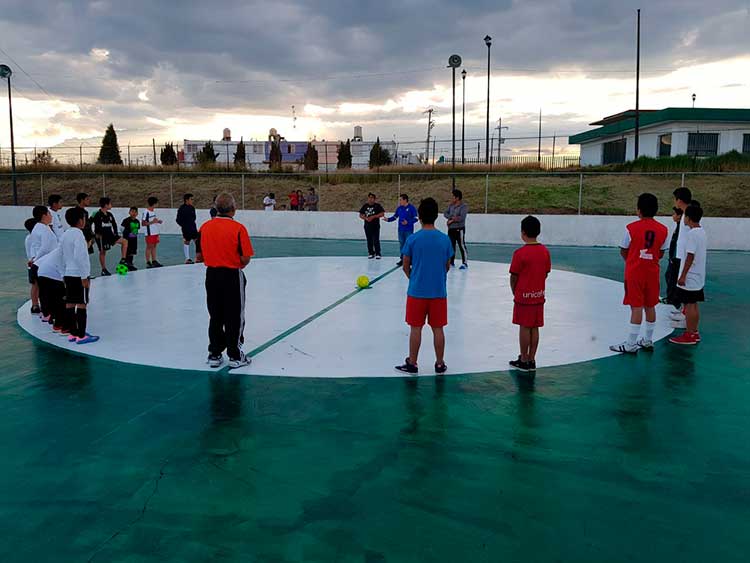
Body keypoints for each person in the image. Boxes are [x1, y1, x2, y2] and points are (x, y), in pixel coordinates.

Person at [395, 197, 454, 375]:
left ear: (419, 216)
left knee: (415, 328)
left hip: (417, 291)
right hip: (438, 292)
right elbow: (447, 264)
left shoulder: (413, 239)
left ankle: (412, 363)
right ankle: (439, 363)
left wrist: (414, 278)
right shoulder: (444, 240)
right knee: (438, 329)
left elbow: (406, 264)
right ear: (436, 215)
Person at [197, 193, 254, 369]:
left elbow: (199, 256)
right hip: (231, 276)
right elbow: (245, 258)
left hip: (211, 275)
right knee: (234, 315)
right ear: (233, 209)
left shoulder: (205, 227)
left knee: (215, 315)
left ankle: (214, 353)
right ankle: (235, 355)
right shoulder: (238, 229)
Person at [609, 193, 669, 354]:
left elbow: (623, 249)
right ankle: (648, 340)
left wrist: (631, 261)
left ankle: (630, 344)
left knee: (636, 307)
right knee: (650, 305)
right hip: (652, 272)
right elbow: (661, 252)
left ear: (639, 210)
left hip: (635, 272)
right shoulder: (664, 230)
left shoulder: (631, 228)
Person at [509, 216, 551, 373]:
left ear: (523, 232)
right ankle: (532, 358)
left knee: (524, 327)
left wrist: (515, 291)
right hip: (538, 296)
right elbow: (546, 272)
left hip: (523, 297)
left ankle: (524, 358)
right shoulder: (545, 252)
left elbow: (514, 276)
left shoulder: (520, 253)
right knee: (535, 327)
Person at [60, 206, 99, 344]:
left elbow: (62, 255)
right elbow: (80, 257)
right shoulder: (78, 235)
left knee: (70, 303)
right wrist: (84, 276)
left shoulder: (65, 234)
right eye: (84, 218)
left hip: (68, 274)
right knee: (82, 304)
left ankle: (73, 333)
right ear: (80, 220)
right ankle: (81, 335)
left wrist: (63, 273)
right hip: (78, 275)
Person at [670, 204, 706, 345]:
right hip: (698, 276)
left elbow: (690, 256)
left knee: (689, 305)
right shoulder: (701, 232)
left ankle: (689, 334)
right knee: (694, 304)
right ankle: (694, 331)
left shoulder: (691, 235)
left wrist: (683, 275)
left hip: (690, 276)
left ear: (689, 218)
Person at [670, 186, 692, 328]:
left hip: (684, 256)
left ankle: (686, 319)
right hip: (681, 254)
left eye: (675, 199)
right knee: (681, 285)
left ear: (679, 200)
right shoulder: (685, 214)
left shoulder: (688, 216)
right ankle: (684, 311)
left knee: (686, 286)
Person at [92, 197, 129, 276]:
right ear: (106, 205)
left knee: (125, 241)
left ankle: (123, 259)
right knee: (103, 252)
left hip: (111, 235)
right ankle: (103, 269)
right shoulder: (97, 215)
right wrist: (95, 234)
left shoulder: (109, 214)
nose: (111, 205)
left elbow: (114, 224)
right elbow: (93, 225)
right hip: (102, 237)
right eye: (110, 203)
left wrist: (115, 233)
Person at [36, 246, 66, 332]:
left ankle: (52, 319)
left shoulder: (59, 249)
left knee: (51, 299)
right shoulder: (67, 250)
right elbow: (63, 267)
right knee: (60, 300)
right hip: (52, 274)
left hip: (41, 272)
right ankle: (60, 325)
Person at [385, 193, 418, 266]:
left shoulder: (411, 208)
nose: (399, 201)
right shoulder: (399, 208)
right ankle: (402, 259)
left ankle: (410, 259)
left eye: (400, 200)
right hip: (400, 230)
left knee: (409, 244)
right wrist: (388, 219)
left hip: (408, 230)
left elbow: (416, 218)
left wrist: (408, 222)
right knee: (402, 244)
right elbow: (395, 217)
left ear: (405, 200)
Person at [663, 206, 683, 308]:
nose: (673, 216)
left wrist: (673, 257)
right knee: (668, 276)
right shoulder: (679, 226)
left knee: (672, 278)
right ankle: (671, 298)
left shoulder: (681, 228)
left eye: (675, 214)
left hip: (675, 258)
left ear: (679, 216)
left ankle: (672, 299)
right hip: (673, 257)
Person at [444, 189, 469, 270]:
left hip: (459, 229)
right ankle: (451, 261)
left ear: (457, 198)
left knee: (461, 245)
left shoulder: (463, 206)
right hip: (451, 229)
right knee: (451, 245)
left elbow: (461, 217)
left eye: (453, 197)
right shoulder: (451, 206)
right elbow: (445, 213)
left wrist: (451, 220)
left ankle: (464, 263)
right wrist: (452, 218)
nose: (452, 198)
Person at [359, 193, 385, 259]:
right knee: (369, 240)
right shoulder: (365, 206)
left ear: (374, 199)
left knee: (376, 239)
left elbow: (382, 214)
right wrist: (366, 218)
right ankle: (371, 253)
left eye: (372, 198)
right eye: (369, 198)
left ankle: (378, 253)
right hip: (367, 226)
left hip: (375, 226)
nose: (370, 199)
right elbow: (360, 215)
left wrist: (374, 217)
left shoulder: (377, 206)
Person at [24, 217, 41, 314]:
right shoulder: (34, 238)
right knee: (40, 286)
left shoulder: (28, 237)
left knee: (34, 286)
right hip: (37, 264)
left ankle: (35, 305)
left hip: (31, 265)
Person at [176, 193, 198, 264]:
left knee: (197, 242)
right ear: (187, 200)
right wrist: (184, 226)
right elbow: (178, 219)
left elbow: (194, 217)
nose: (192, 201)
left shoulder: (192, 207)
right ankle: (187, 259)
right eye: (191, 199)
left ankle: (198, 258)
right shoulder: (181, 208)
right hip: (186, 229)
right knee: (187, 242)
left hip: (193, 228)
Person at [142, 196, 164, 268]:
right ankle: (148, 262)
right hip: (149, 233)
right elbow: (143, 223)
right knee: (149, 247)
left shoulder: (153, 211)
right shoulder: (146, 212)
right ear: (154, 203)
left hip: (155, 232)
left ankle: (154, 261)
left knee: (154, 246)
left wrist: (157, 221)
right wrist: (152, 222)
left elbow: (152, 221)